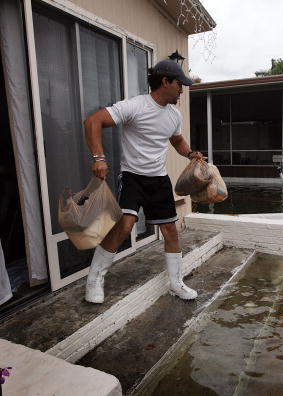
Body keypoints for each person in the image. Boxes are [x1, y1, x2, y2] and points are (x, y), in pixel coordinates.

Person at [83, 59, 203, 304]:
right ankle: (95, 279)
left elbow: (176, 141)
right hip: (132, 177)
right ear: (165, 81)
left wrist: (190, 153)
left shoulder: (173, 115)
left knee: (170, 230)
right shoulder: (135, 106)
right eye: (180, 85)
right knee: (125, 225)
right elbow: (93, 121)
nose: (182, 90)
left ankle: (176, 283)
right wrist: (98, 157)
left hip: (158, 179)